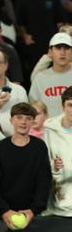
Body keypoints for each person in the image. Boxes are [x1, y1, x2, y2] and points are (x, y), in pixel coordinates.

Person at [0, 103, 52, 230]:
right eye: (19, 117)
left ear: (33, 122)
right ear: (11, 120)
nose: (23, 122)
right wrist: (4, 211)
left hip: (33, 217)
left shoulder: (39, 147)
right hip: (2, 218)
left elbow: (44, 181)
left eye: (28, 118)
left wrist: (33, 210)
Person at [42, 87, 72, 217]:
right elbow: (44, 164)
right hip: (58, 205)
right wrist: (54, 167)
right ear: (62, 106)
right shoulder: (49, 129)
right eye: (70, 105)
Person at [29, 32, 72, 118]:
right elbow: (33, 109)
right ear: (50, 52)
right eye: (58, 48)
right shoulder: (40, 78)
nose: (62, 52)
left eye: (66, 48)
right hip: (48, 129)